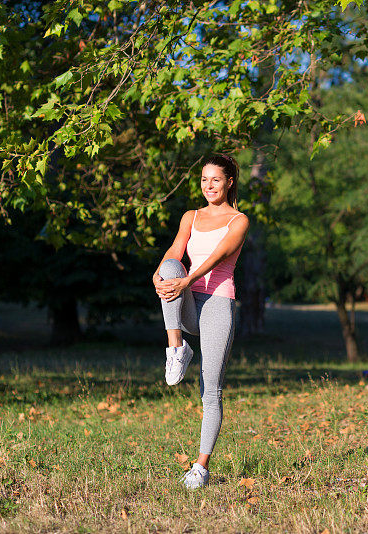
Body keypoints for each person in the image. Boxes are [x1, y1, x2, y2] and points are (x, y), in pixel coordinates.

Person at [152, 153, 249, 489]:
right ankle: (176, 348)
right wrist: (159, 274)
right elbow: (175, 251)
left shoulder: (238, 220)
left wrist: (187, 280)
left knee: (211, 389)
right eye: (205, 180)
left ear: (229, 182)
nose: (209, 186)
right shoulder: (190, 216)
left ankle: (200, 468)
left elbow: (216, 257)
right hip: (188, 300)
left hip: (218, 304)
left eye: (216, 180)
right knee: (168, 268)